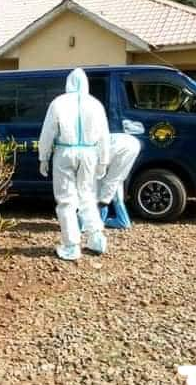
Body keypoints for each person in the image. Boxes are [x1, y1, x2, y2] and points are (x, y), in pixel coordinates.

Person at [38, 68, 109, 261]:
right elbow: (104, 135)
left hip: (65, 151)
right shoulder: (95, 104)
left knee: (66, 199)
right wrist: (104, 160)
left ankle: (71, 245)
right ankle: (96, 239)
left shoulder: (58, 102)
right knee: (87, 195)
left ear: (68, 83)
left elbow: (48, 131)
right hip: (89, 153)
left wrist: (43, 156)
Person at [97, 133, 141, 228]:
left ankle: (98, 221)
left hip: (121, 147)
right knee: (117, 180)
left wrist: (101, 202)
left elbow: (100, 178)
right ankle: (122, 220)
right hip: (132, 143)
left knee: (111, 181)